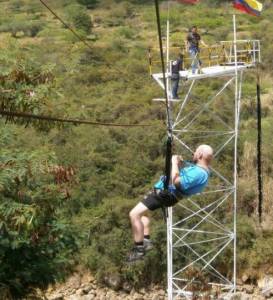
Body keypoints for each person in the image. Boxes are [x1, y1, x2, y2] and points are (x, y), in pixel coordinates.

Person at [128, 144, 213, 262]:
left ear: (199, 155)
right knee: (142, 214)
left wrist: (173, 162)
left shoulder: (199, 173)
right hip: (166, 193)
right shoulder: (202, 171)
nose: (193, 154)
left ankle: (139, 249)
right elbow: (183, 178)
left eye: (195, 152)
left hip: (166, 194)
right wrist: (178, 165)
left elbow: (176, 181)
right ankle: (146, 240)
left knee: (134, 214)